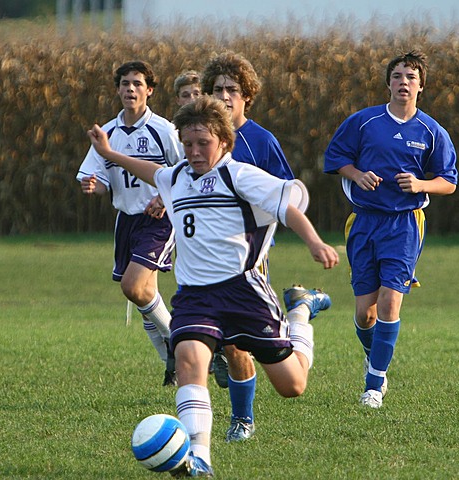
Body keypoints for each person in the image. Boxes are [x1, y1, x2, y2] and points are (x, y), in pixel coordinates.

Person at [88, 95, 340, 477]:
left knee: (293, 385)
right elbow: (151, 171)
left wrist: (314, 241)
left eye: (202, 143)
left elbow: (287, 206)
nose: (193, 151)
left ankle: (301, 310)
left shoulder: (239, 175)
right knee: (190, 360)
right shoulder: (176, 177)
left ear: (224, 141)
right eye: (187, 143)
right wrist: (108, 152)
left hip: (244, 293)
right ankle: (199, 456)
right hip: (194, 295)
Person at [200, 50, 330, 442]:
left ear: (247, 97)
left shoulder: (260, 141)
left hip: (250, 263)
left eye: (232, 90)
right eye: (218, 89)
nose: (225, 95)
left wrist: (307, 238)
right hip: (205, 261)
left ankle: (302, 311)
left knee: (270, 362)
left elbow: (287, 198)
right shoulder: (197, 141)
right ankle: (242, 420)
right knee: (232, 345)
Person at [324, 50, 458, 409]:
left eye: (411, 77)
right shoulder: (363, 122)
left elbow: (448, 182)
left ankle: (373, 384)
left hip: (404, 225)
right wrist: (357, 174)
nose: (404, 83)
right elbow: (335, 159)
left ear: (421, 86)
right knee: (364, 314)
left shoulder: (432, 131)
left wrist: (420, 184)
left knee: (389, 301)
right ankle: (377, 357)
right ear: (388, 83)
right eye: (398, 76)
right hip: (364, 221)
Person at [76, 60, 183, 386]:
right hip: (126, 220)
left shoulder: (163, 130)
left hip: (159, 220)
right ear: (118, 89)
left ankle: (180, 345)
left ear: (149, 90)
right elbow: (100, 177)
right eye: (125, 83)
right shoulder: (106, 133)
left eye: (137, 83)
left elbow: (186, 173)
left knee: (134, 287)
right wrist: (95, 186)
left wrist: (164, 198)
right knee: (144, 295)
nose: (130, 89)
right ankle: (172, 364)